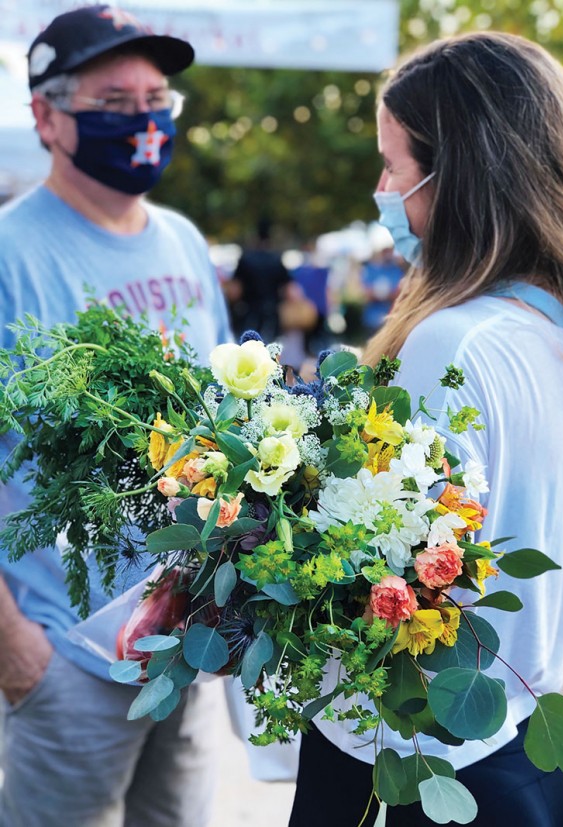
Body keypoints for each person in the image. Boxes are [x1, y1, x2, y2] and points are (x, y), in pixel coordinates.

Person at [289, 31, 563, 826]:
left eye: (394, 165)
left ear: (458, 177)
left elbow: (387, 588)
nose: (380, 188)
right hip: (522, 753)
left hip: (410, 766)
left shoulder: (454, 342)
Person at [0, 6, 232, 826]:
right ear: (45, 116)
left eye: (157, 97)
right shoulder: (9, 254)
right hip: (66, 656)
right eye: (113, 99)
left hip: (188, 641)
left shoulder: (181, 241)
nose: (143, 118)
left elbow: (226, 420)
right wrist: (15, 646)